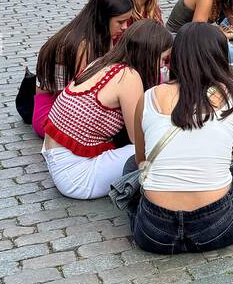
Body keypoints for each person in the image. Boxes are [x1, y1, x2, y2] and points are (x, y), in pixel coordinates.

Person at [125, 24, 233, 254]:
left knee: (131, 164)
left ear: (176, 56)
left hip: (155, 231)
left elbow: (142, 162)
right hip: (216, 224)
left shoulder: (149, 96)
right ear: (221, 56)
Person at [42, 20, 170, 202]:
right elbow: (139, 139)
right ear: (150, 55)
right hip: (77, 175)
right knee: (157, 151)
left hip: (58, 158)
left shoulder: (102, 62)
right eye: (164, 59)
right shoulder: (128, 77)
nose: (164, 66)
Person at [33, 0, 134, 137]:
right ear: (103, 18)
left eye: (127, 21)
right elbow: (86, 92)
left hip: (67, 106)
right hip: (52, 114)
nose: (125, 27)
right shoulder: (83, 45)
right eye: (120, 22)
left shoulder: (98, 34)